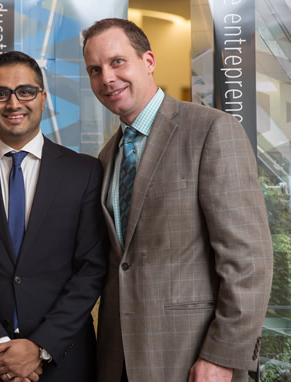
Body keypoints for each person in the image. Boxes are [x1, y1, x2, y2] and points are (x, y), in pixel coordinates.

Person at [82, 18, 273, 382]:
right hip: (118, 360)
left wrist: (222, 356)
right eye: (95, 69)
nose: (106, 78)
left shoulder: (211, 130)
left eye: (117, 62)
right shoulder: (107, 157)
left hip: (193, 359)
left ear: (149, 61)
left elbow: (248, 261)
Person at [0, 51, 108, 382]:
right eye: (0, 94)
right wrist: (0, 345)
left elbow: (91, 269)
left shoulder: (84, 172)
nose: (13, 103)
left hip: (63, 359)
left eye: (26, 91)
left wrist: (40, 347)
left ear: (43, 99)